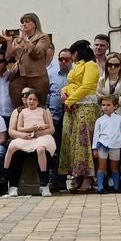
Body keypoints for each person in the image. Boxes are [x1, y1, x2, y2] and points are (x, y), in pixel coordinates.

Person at [59, 40, 101, 192]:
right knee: (73, 143)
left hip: (86, 108)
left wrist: (69, 100)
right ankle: (77, 175)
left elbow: (87, 86)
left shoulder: (91, 65)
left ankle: (88, 177)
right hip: (73, 109)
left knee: (84, 143)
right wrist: (64, 90)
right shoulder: (77, 67)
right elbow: (72, 83)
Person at [4, 89, 56, 197]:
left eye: (33, 99)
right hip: (24, 139)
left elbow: (51, 128)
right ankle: (12, 185)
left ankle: (44, 185)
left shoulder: (44, 110)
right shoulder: (19, 111)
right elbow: (12, 130)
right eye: (26, 96)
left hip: (40, 138)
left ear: (38, 101)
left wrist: (40, 132)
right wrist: (23, 135)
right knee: (16, 153)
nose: (30, 100)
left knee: (41, 151)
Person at [4, 13, 53, 108]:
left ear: (35, 24)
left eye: (27, 21)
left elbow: (37, 54)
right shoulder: (18, 39)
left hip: (37, 76)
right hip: (20, 75)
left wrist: (25, 40)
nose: (24, 24)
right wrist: (9, 42)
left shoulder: (43, 37)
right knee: (18, 106)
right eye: (22, 22)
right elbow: (9, 55)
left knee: (39, 106)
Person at [47, 48, 73, 191]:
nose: (63, 62)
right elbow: (46, 95)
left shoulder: (76, 75)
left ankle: (63, 180)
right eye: (61, 59)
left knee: (66, 150)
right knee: (53, 149)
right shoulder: (50, 75)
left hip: (71, 118)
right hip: (54, 118)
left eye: (67, 59)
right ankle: (52, 180)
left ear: (72, 60)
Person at [93, 95, 121, 193]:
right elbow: (96, 135)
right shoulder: (99, 120)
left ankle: (116, 187)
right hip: (102, 145)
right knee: (102, 166)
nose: (105, 107)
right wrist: (94, 148)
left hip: (116, 145)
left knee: (114, 166)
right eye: (103, 105)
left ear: (115, 106)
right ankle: (100, 187)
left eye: (108, 105)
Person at [96, 52, 121, 146]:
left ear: (120, 67)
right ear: (106, 66)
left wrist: (106, 99)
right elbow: (97, 97)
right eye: (110, 64)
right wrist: (116, 98)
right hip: (104, 118)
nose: (113, 67)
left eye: (116, 65)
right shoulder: (101, 80)